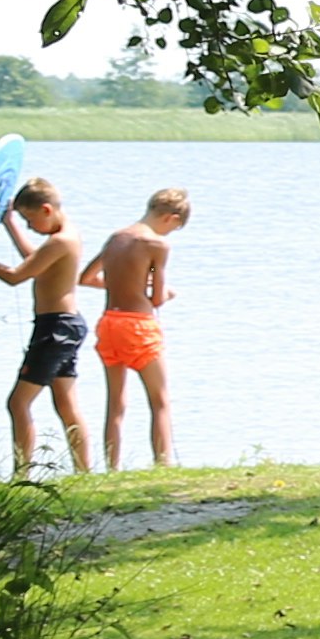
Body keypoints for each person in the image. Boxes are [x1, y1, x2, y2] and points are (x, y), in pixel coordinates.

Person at [0, 177, 93, 478]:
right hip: (66, 326)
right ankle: (84, 472)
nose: (29, 227)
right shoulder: (68, 234)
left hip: (55, 330)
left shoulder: (60, 241)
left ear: (46, 210)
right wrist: (9, 223)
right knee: (65, 402)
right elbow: (34, 260)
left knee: (17, 402)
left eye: (30, 220)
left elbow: (15, 276)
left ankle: (21, 475)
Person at [87, 186, 192, 470]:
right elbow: (157, 297)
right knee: (159, 401)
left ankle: (111, 467)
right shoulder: (157, 245)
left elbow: (87, 277)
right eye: (174, 228)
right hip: (139, 326)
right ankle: (163, 464)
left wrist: (130, 285)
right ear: (170, 218)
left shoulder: (115, 239)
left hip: (109, 322)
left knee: (115, 404)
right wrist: (164, 293)